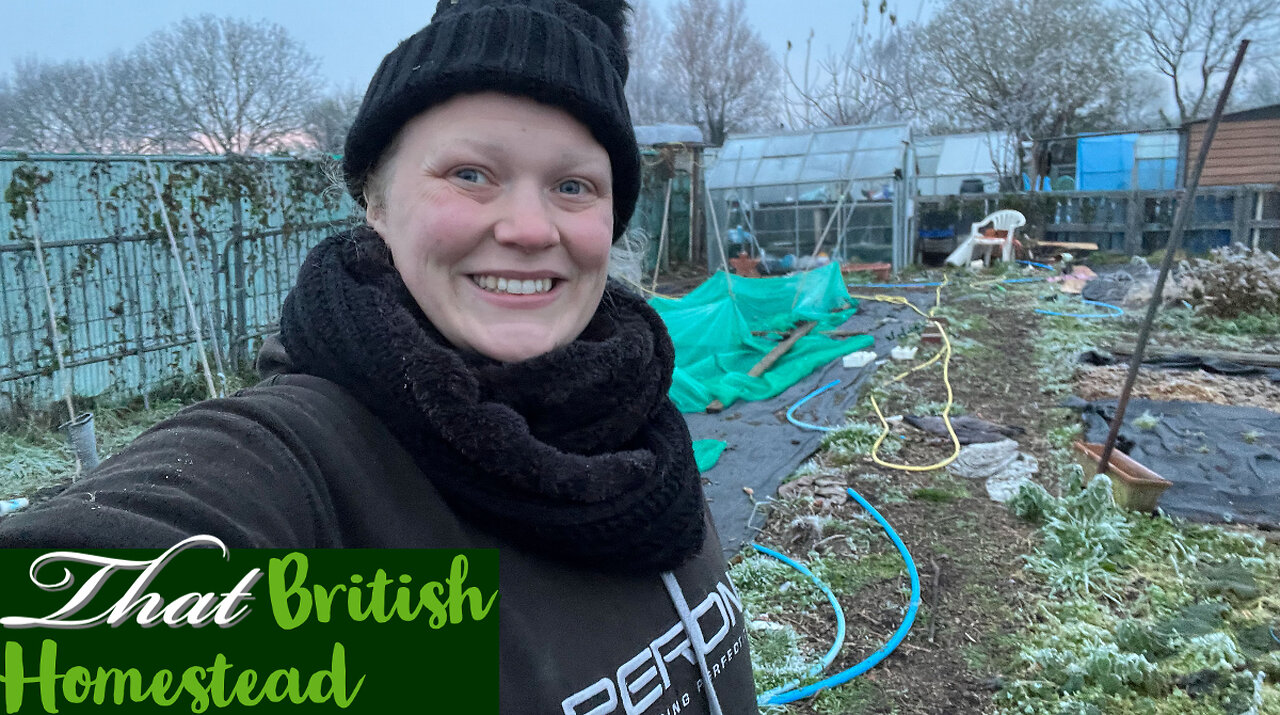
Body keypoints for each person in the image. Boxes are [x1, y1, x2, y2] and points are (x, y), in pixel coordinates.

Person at [0, 1, 758, 712]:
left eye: (572, 184)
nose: (530, 227)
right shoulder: (313, 458)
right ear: (377, 201)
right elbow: (40, 637)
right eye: (470, 173)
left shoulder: (631, 413)